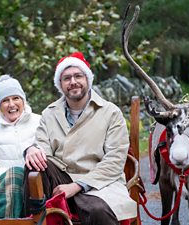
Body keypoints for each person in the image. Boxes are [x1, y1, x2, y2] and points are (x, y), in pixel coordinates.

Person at [23, 52, 137, 225]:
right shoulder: (50, 113)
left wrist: (76, 186)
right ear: (60, 84)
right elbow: (42, 149)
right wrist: (31, 150)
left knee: (98, 211)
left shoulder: (110, 113)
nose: (73, 82)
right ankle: (36, 220)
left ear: (87, 79)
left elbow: (114, 161)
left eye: (78, 76)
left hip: (98, 182)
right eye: (67, 78)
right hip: (61, 176)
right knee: (34, 164)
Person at [0, 74, 41, 218]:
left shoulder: (40, 122)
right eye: (5, 100)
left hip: (37, 191)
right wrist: (9, 175)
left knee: (19, 175)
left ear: (23, 100)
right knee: (15, 175)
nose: (11, 104)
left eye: (15, 98)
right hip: (5, 192)